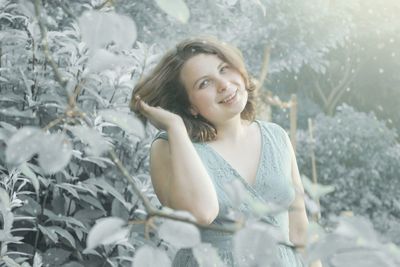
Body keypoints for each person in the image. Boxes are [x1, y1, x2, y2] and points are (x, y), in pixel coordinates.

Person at [130, 36, 321, 267]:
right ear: (190, 105)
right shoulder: (168, 147)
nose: (223, 84)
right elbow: (202, 213)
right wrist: (176, 128)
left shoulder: (277, 137)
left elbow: (300, 231)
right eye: (204, 83)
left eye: (224, 69)